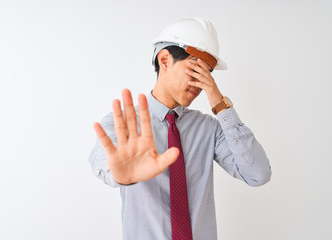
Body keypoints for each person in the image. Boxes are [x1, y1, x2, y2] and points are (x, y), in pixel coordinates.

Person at [88, 17, 272, 240]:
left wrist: (219, 103)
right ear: (165, 60)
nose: (201, 83)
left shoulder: (208, 129)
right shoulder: (123, 123)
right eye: (195, 70)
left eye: (208, 74)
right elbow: (105, 164)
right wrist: (123, 175)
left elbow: (257, 174)